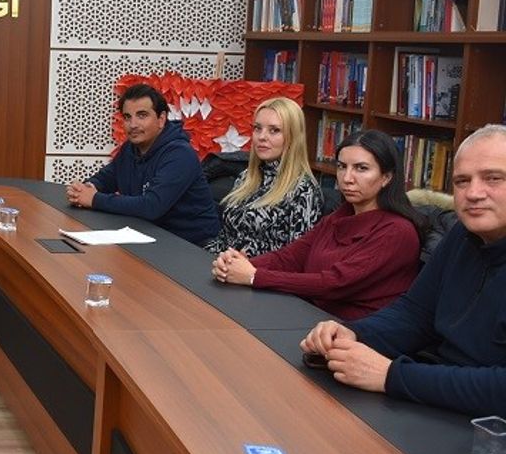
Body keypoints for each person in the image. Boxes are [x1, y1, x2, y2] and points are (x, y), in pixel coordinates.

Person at [300, 124, 506, 416]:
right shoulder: (461, 236)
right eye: (462, 181)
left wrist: (391, 375)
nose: (473, 193)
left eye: (493, 178)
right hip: (435, 399)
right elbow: (415, 314)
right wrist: (354, 333)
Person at [213, 129, 423, 320]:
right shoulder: (341, 215)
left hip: (354, 334)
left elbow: (334, 284)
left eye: (361, 168)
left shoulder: (397, 231)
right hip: (310, 315)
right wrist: (237, 265)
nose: (347, 178)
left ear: (386, 177)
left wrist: (253, 276)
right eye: (342, 167)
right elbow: (290, 257)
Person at [66, 84, 219, 246]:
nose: (133, 124)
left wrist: (94, 199)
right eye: (127, 117)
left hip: (192, 246)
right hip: (147, 236)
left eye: (142, 116)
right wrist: (86, 188)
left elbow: (152, 207)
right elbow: (106, 178)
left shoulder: (180, 154)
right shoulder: (130, 148)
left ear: (161, 119)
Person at [206, 97, 322, 256]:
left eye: (274, 130)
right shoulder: (247, 176)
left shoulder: (304, 191)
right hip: (221, 262)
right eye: (257, 128)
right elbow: (225, 238)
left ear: (293, 137)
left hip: (259, 270)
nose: (262, 137)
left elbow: (296, 259)